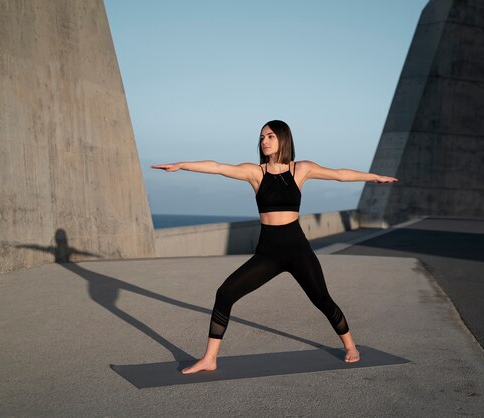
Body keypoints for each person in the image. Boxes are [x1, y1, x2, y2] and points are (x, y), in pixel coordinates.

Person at [151, 120, 398, 374]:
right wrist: (182, 165)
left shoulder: (300, 169)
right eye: (261, 137)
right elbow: (217, 167)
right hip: (267, 253)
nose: (264, 141)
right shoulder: (255, 173)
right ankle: (209, 358)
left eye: (270, 136)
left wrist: (374, 177)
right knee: (225, 294)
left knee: (322, 300)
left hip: (297, 250)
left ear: (283, 139)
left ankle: (350, 346)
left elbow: (340, 174)